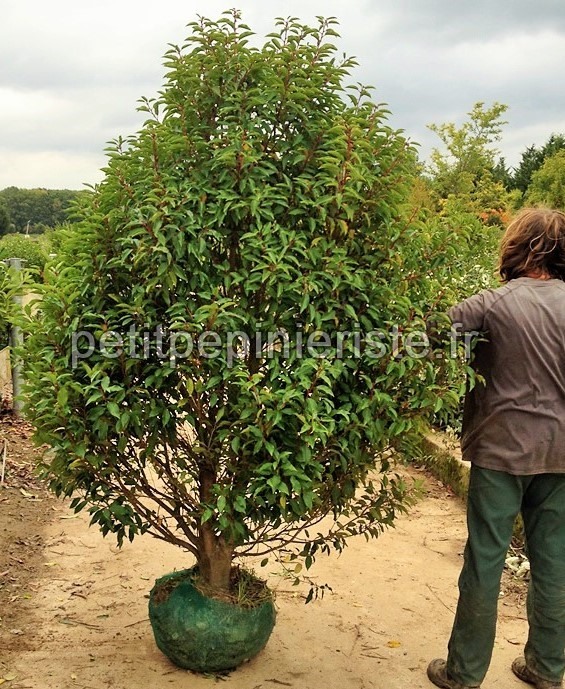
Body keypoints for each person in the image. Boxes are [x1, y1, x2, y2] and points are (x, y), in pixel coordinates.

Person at [427, 207, 565, 689]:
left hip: (501, 452)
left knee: (486, 557)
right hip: (561, 455)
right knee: (554, 559)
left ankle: (464, 672)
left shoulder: (491, 304)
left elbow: (429, 335)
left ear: (517, 247)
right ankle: (547, 669)